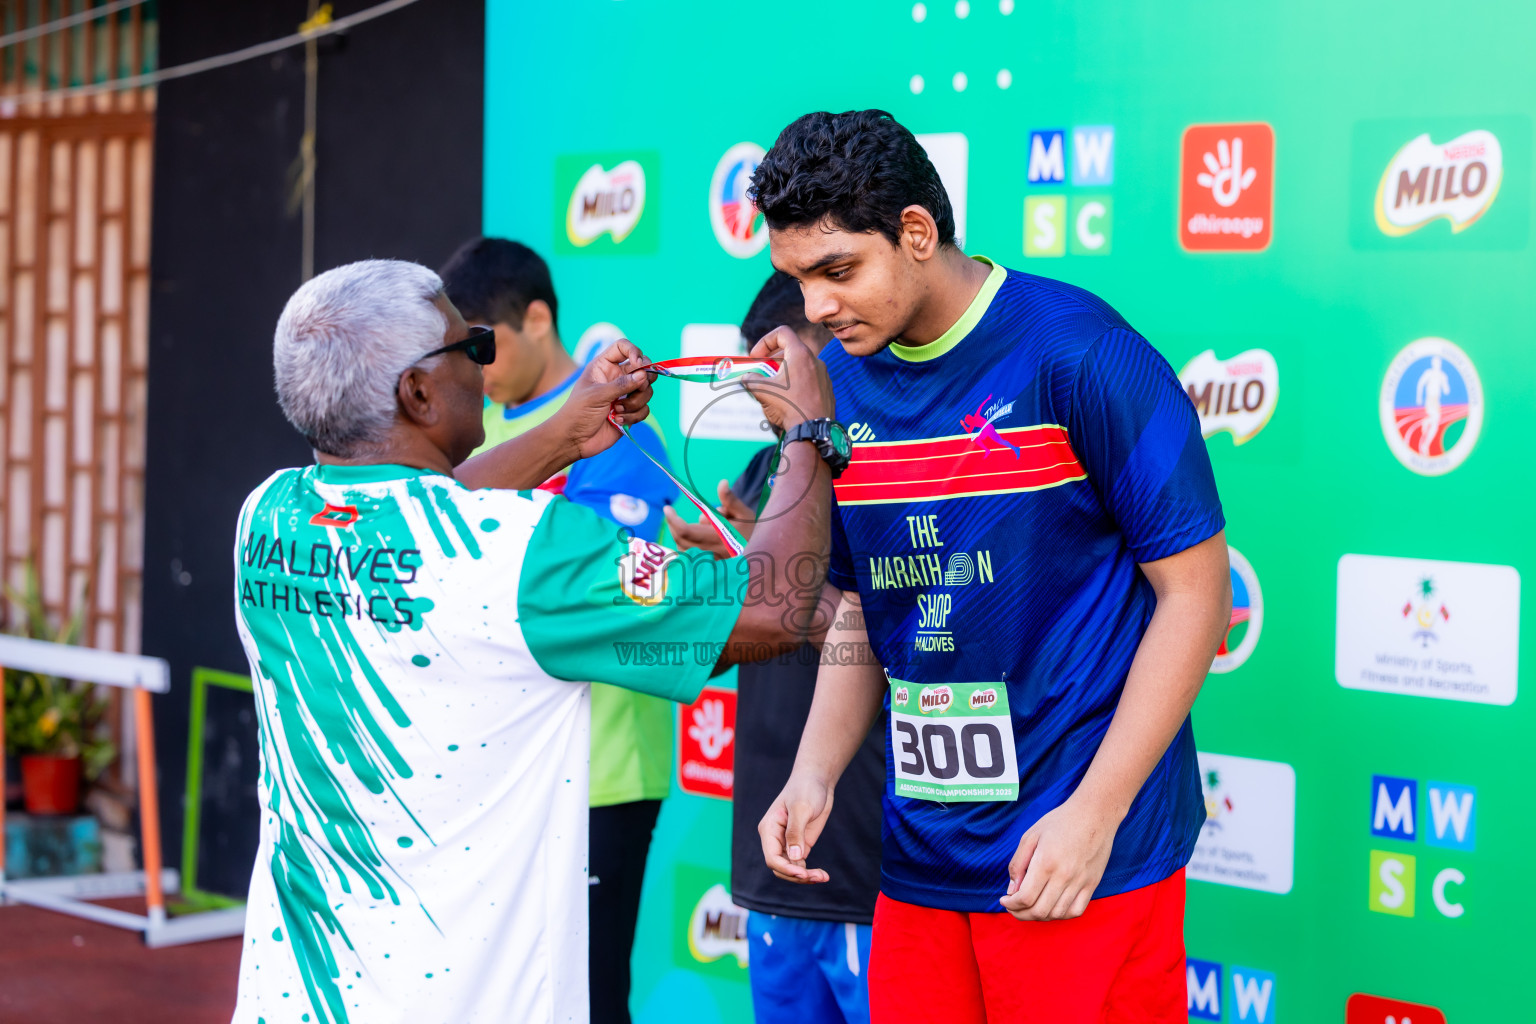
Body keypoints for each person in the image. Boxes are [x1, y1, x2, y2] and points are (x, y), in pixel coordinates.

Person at [230, 258, 841, 1024]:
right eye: (470, 348)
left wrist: (562, 433)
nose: (483, 366)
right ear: (417, 391)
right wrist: (807, 432)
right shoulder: (524, 552)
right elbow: (775, 609)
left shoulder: (269, 515)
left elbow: (423, 508)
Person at [749, 110, 1233, 1024]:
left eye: (836, 270)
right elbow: (859, 604)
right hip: (921, 860)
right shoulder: (842, 386)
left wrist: (1096, 813)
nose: (813, 307)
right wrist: (815, 772)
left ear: (918, 234)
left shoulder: (1080, 351)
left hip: (1076, 853)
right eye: (797, 280)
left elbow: (1196, 596)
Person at [437, 238, 677, 1024]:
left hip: (601, 768)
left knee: (589, 993)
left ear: (538, 318)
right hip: (498, 768)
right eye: (461, 346)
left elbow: (601, 595)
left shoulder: (617, 423)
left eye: (486, 340)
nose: (477, 363)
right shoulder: (476, 427)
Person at [666, 271, 884, 1024]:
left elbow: (899, 631)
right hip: (768, 857)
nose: (758, 390)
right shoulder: (768, 469)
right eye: (753, 366)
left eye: (774, 364)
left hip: (869, 865)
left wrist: (777, 587)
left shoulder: (892, 477)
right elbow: (748, 630)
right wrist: (735, 566)